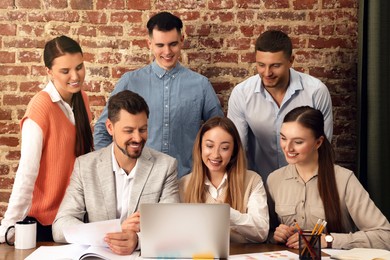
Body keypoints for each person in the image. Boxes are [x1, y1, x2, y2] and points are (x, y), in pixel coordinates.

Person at [93, 11, 224, 178]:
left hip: (185, 181)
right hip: (139, 181)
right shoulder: (130, 82)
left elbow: (220, 133)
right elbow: (103, 129)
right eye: (160, 45)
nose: (167, 51)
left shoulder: (201, 85)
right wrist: (111, 172)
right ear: (149, 44)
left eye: (173, 44)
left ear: (182, 40)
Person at [53, 90, 180, 255]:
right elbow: (60, 227)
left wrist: (138, 240)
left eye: (142, 129)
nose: (137, 138)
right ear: (110, 127)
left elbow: (174, 228)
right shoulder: (85, 166)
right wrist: (116, 230)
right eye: (129, 131)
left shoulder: (166, 166)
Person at [0, 36, 93, 243]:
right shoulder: (40, 107)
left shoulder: (82, 99)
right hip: (44, 222)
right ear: (49, 72)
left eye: (79, 67)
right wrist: (8, 226)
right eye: (65, 71)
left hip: (75, 217)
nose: (75, 76)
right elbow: (27, 171)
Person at [267, 106, 390, 250]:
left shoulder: (344, 179)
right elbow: (265, 233)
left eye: (298, 142)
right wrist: (275, 236)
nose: (287, 148)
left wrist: (328, 240)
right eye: (283, 138)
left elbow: (385, 236)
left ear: (318, 142)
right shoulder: (274, 179)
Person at [227, 30, 333, 182]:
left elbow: (322, 148)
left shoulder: (316, 92)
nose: (267, 73)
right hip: (259, 185)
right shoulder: (242, 94)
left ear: (291, 60)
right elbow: (237, 150)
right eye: (261, 65)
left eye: (275, 65)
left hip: (305, 183)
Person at [179, 117, 269, 243]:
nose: (215, 155)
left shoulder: (252, 180)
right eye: (209, 146)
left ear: (233, 151)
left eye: (225, 148)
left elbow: (261, 232)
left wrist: (227, 213)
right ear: (200, 147)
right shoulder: (183, 184)